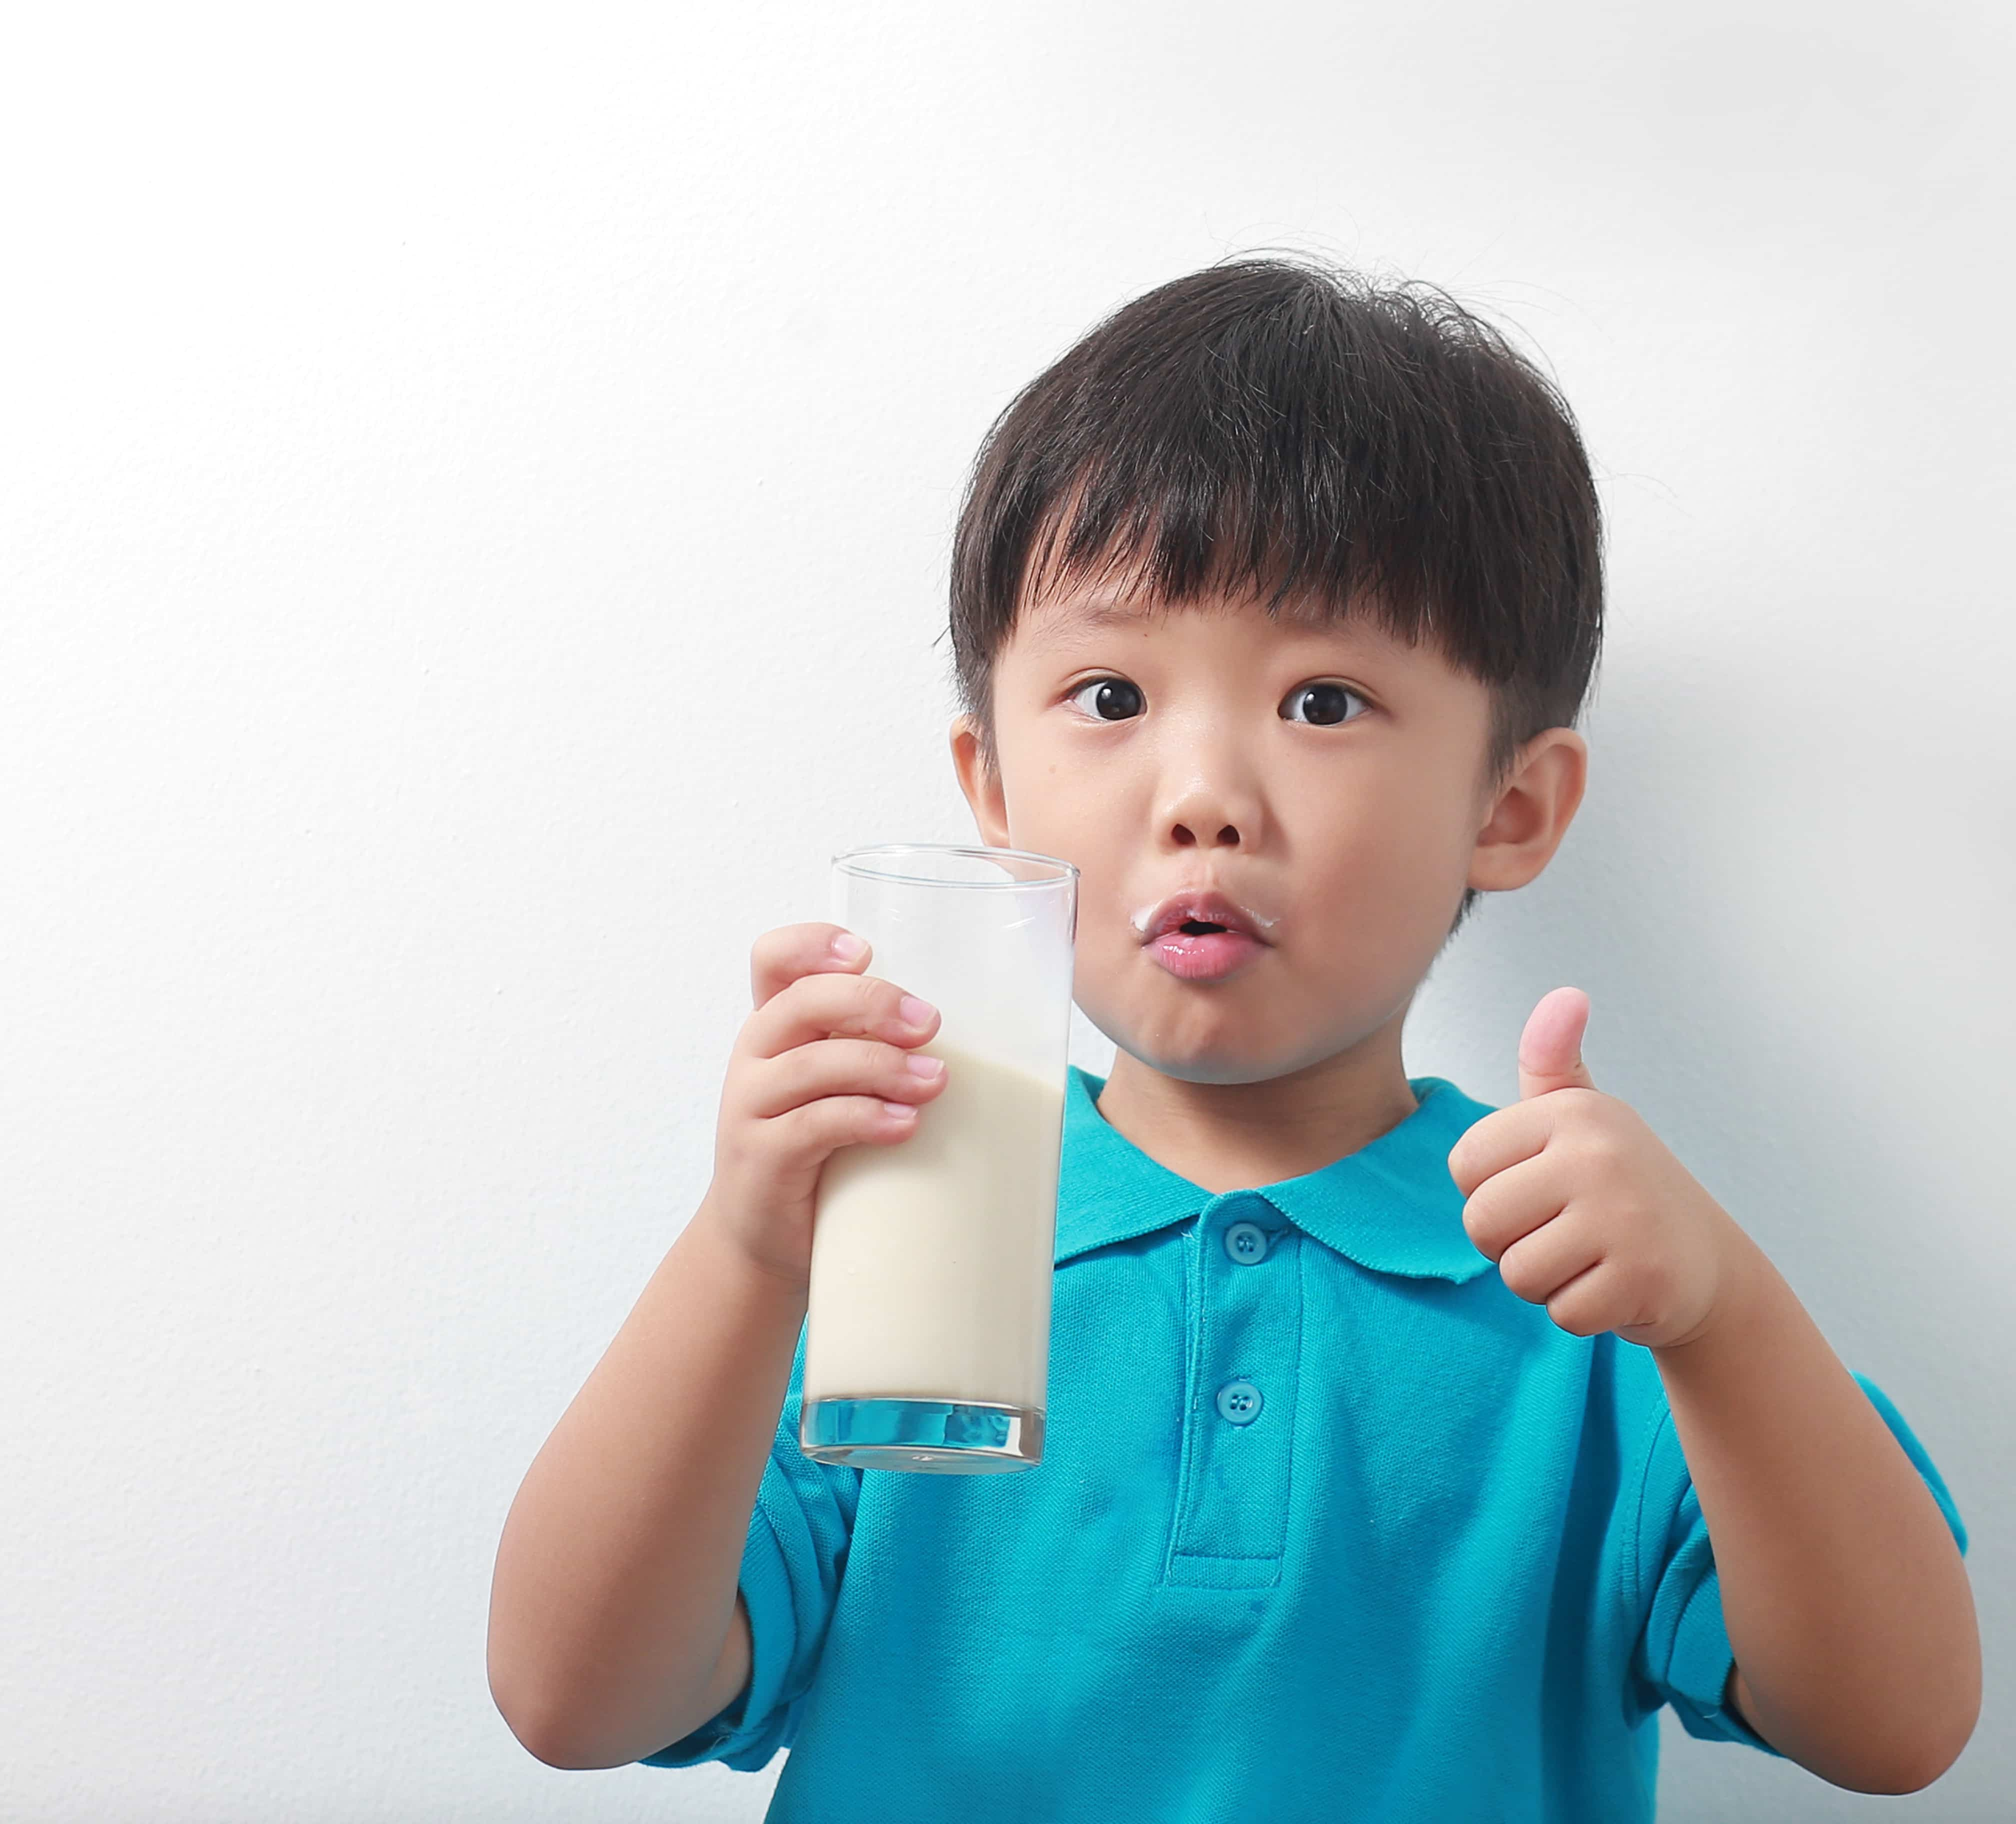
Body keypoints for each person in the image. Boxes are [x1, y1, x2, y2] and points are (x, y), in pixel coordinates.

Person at [484, 253, 1978, 1818]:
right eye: (1111, 693)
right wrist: (741, 1252)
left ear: (1512, 807)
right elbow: (574, 1701)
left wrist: (1721, 1314)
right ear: (992, 791)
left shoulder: (1587, 1285)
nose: (1201, 793)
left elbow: (1898, 1728)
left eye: (1323, 703)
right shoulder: (888, 1236)